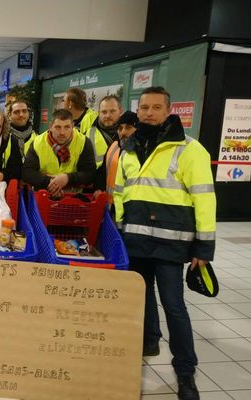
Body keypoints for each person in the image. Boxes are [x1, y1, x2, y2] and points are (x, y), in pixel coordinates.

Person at [113, 87, 216, 400]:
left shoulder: (189, 150)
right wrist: (119, 233)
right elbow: (120, 193)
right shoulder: (128, 149)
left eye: (156, 107)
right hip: (134, 242)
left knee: (174, 308)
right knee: (138, 302)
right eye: (144, 107)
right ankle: (144, 345)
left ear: (169, 111)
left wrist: (204, 249)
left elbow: (205, 199)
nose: (149, 113)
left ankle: (186, 374)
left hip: (170, 245)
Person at [22, 109, 96, 196]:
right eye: (58, 127)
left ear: (73, 126)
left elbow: (90, 173)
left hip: (74, 199)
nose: (62, 132)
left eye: (67, 127)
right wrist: (50, 182)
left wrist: (67, 178)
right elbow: (27, 172)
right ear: (50, 126)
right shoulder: (37, 143)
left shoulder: (84, 142)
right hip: (44, 196)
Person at [101, 110, 138, 203]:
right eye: (120, 128)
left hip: (131, 207)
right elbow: (102, 172)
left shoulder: (141, 151)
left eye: (128, 127)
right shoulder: (113, 146)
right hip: (111, 206)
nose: (123, 132)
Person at [85, 95, 122, 169]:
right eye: (104, 112)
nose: (108, 115)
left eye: (112, 111)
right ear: (99, 113)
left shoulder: (130, 133)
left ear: (120, 111)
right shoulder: (87, 135)